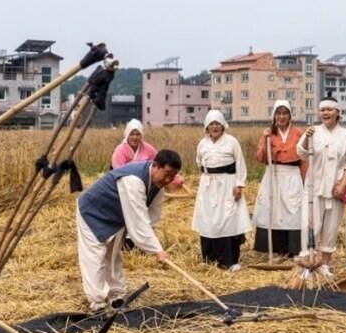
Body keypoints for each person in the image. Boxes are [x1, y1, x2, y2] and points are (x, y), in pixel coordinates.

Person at [75, 150, 181, 313]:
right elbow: (138, 221)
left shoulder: (158, 186)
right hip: (92, 211)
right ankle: (97, 303)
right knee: (95, 257)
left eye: (172, 176)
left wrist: (154, 246)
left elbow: (151, 218)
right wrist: (156, 250)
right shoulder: (134, 180)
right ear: (156, 166)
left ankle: (116, 297)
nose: (168, 180)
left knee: (113, 255)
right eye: (166, 174)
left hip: (116, 215)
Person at [296, 92, 346, 275]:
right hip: (314, 185)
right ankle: (308, 264)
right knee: (310, 225)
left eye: (329, 109)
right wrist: (306, 138)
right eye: (322, 110)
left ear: (337, 112)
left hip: (336, 186)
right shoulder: (313, 131)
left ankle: (325, 264)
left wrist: (343, 184)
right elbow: (301, 153)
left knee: (331, 226)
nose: (326, 113)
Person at [191, 109, 251, 269]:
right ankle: (210, 259)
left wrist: (239, 184)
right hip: (208, 185)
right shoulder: (202, 144)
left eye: (217, 123)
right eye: (211, 124)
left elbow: (240, 164)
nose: (215, 127)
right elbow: (199, 162)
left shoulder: (232, 142)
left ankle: (230, 260)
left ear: (223, 125)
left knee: (228, 219)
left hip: (227, 184)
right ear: (207, 127)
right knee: (209, 220)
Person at [251, 100, 305, 257]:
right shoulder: (269, 133)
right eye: (278, 113)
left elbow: (304, 158)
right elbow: (260, 158)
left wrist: (304, 179)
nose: (281, 117)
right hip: (273, 174)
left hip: (292, 175)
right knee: (273, 210)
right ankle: (275, 248)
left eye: (285, 113)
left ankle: (294, 248)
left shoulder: (298, 134)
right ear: (274, 116)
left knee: (293, 211)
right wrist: (264, 140)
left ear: (289, 115)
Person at [111, 119, 183, 187]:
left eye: (138, 134)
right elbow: (118, 171)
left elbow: (160, 164)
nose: (135, 137)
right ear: (127, 135)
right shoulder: (120, 150)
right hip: (127, 181)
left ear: (141, 135)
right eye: (132, 134)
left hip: (147, 181)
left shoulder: (148, 149)